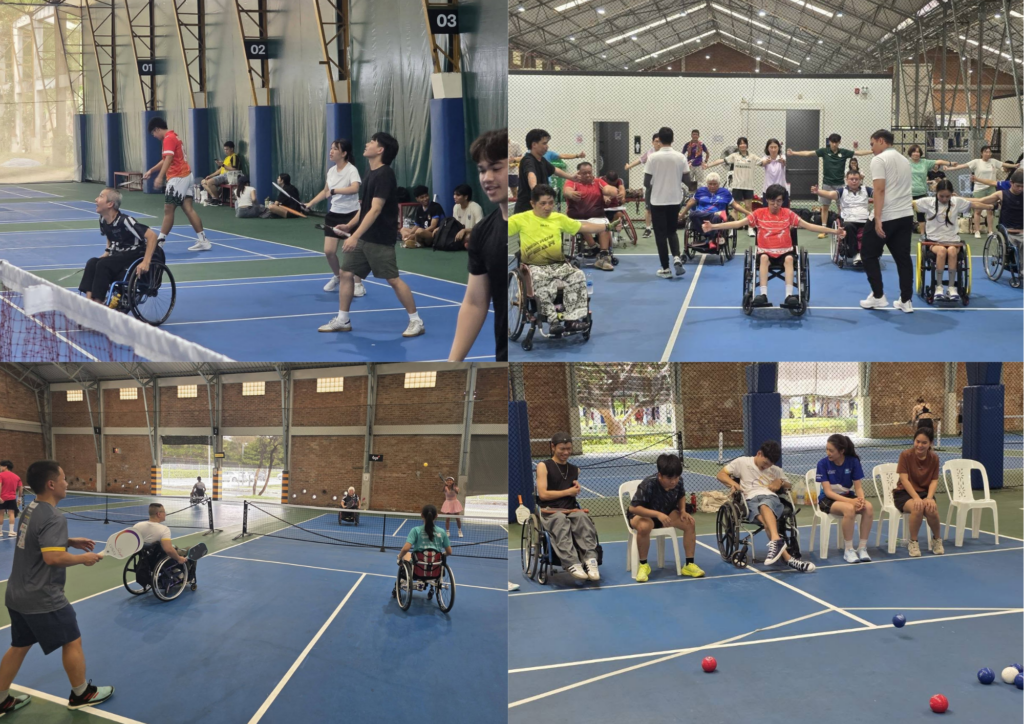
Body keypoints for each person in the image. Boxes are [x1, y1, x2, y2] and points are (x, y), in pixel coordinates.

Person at [0, 460, 112, 716]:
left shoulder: (31, 508)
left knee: (19, 646)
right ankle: (82, 693)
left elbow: (34, 538)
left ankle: (0, 699)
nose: (66, 483)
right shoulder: (54, 516)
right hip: (42, 597)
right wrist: (83, 558)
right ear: (51, 484)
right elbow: (52, 558)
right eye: (63, 479)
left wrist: (67, 541)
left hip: (17, 594)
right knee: (72, 640)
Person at [318, 132, 424, 337]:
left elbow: (375, 210)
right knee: (346, 274)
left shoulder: (384, 174)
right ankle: (343, 319)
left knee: (393, 279)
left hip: (379, 238)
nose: (367, 144)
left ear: (380, 150)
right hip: (364, 237)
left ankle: (416, 321)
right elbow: (365, 208)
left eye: (372, 142)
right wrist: (349, 225)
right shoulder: (370, 172)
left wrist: (354, 236)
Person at [702, 184, 844, 307]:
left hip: (785, 252)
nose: (776, 204)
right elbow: (737, 224)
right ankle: (763, 295)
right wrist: (713, 226)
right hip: (765, 252)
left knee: (789, 259)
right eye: (772, 201)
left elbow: (810, 226)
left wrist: (834, 231)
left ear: (783, 201)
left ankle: (789, 296)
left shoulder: (788, 214)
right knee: (763, 258)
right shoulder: (758, 213)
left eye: (779, 201)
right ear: (767, 200)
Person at [507, 184, 620, 334]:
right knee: (539, 279)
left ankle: (572, 320)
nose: (548, 207)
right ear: (533, 203)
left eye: (551, 203)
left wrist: (607, 227)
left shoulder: (558, 218)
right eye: (543, 203)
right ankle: (553, 320)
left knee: (578, 275)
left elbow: (583, 226)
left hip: (558, 264)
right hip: (534, 266)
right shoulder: (520, 219)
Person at [450, 128, 507, 362]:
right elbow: (475, 303)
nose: (487, 178)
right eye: (482, 170)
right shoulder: (483, 232)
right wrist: (452, 365)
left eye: (496, 168)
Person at [715, 442, 815, 572]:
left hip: (770, 498)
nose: (766, 467)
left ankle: (778, 545)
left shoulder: (776, 470)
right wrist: (735, 485)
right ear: (759, 454)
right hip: (749, 501)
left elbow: (789, 485)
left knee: (764, 504)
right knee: (767, 523)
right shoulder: (742, 462)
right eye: (765, 463)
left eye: (770, 465)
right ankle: (789, 558)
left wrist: (780, 481)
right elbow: (721, 475)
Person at [859, 129, 916, 313]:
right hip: (905, 215)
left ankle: (878, 296)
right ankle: (906, 300)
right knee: (903, 259)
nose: (871, 148)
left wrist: (877, 218)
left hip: (887, 216)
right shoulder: (905, 160)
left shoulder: (879, 159)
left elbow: (879, 190)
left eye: (872, 144)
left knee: (868, 255)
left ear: (881, 141)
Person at [626, 454, 703, 583]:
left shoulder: (679, 481)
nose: (674, 481)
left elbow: (681, 495)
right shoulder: (648, 483)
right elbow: (633, 508)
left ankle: (689, 565)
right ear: (660, 475)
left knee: (689, 523)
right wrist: (657, 514)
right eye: (670, 478)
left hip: (666, 513)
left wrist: (683, 511)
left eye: (676, 477)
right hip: (643, 514)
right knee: (644, 527)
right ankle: (644, 565)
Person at [914, 179, 994, 301]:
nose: (944, 199)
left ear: (952, 194)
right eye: (941, 196)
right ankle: (939, 286)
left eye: (947, 196)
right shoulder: (928, 202)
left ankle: (951, 287)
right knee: (941, 251)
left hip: (953, 241)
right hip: (934, 241)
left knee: (951, 251)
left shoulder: (956, 202)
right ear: (936, 192)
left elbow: (974, 204)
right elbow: (910, 203)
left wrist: (990, 206)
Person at [79, 188, 162, 305]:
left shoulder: (126, 221)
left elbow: (152, 236)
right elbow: (109, 234)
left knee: (103, 264)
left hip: (134, 254)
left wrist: (146, 262)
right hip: (119, 255)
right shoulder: (103, 219)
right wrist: (107, 251)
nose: (96, 199)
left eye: (100, 196)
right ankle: (89, 302)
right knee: (92, 262)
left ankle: (98, 303)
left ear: (110, 204)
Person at [535, 432, 600, 581]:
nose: (566, 452)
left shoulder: (575, 470)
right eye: (562, 449)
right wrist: (568, 491)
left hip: (571, 509)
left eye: (569, 449)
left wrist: (575, 488)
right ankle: (572, 562)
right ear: (553, 447)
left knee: (582, 517)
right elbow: (543, 495)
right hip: (550, 511)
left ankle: (591, 560)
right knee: (560, 520)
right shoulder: (543, 466)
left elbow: (570, 488)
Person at [304, 139, 364, 296]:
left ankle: (358, 283)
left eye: (335, 149)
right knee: (329, 251)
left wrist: (335, 191)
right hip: (334, 214)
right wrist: (310, 204)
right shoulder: (331, 171)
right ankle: (338, 277)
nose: (331, 151)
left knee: (351, 252)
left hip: (351, 214)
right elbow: (326, 191)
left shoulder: (351, 170)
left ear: (344, 153)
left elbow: (355, 188)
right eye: (331, 148)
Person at [141, 116, 211, 252]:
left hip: (178, 177)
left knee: (168, 209)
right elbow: (166, 159)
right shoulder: (174, 137)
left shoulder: (168, 138)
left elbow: (169, 158)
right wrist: (152, 171)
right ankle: (203, 241)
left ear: (157, 129)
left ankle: (159, 243)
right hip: (187, 175)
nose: (154, 136)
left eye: (153, 133)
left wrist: (160, 177)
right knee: (188, 209)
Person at [789, 134, 872, 237]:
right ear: (829, 142)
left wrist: (872, 151)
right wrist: (794, 153)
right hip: (827, 183)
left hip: (840, 184)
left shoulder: (843, 152)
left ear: (839, 142)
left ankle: (842, 227)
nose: (834, 144)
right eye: (832, 142)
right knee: (825, 207)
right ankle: (824, 230)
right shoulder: (824, 151)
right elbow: (809, 153)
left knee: (841, 207)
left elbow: (858, 153)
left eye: (836, 142)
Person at [815, 434, 874, 563]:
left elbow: (858, 487)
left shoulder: (853, 462)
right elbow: (828, 492)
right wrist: (851, 501)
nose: (828, 453)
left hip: (847, 495)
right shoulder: (823, 464)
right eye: (827, 449)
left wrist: (861, 500)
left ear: (841, 451)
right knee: (849, 509)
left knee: (868, 507)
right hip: (828, 499)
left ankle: (862, 548)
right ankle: (848, 550)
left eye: (831, 450)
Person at [645, 126, 690, 278]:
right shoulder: (680, 157)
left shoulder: (653, 157)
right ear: (673, 139)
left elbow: (646, 182)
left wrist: (658, 183)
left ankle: (665, 268)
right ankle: (676, 257)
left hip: (658, 200)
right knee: (672, 230)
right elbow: (687, 180)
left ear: (659, 140)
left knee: (660, 235)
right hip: (675, 200)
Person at [894, 427, 944, 557]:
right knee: (918, 507)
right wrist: (916, 497)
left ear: (930, 443)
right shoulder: (905, 455)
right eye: (917, 441)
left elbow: (934, 480)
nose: (920, 445)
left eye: (924, 442)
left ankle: (937, 540)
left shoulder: (934, 458)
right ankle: (913, 542)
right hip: (904, 493)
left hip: (925, 493)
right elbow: (904, 480)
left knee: (931, 509)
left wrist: (929, 498)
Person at [812, 169, 874, 265]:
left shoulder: (866, 189)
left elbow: (879, 194)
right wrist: (818, 191)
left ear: (860, 180)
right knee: (848, 227)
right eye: (851, 179)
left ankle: (866, 253)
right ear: (847, 180)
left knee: (872, 226)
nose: (854, 181)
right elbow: (830, 194)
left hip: (865, 220)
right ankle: (855, 254)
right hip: (848, 220)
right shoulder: (842, 191)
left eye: (856, 179)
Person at [564, 161, 618, 271]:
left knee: (605, 225)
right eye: (584, 173)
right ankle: (594, 248)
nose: (588, 175)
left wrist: (609, 191)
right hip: (577, 218)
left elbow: (610, 189)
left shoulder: (598, 181)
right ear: (578, 173)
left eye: (590, 172)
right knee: (583, 224)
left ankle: (603, 257)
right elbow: (566, 191)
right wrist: (571, 194)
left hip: (597, 216)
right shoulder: (572, 181)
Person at [513, 129, 579, 216]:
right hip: (526, 210)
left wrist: (571, 177)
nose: (547, 146)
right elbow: (531, 174)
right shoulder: (528, 160)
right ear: (534, 144)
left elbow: (554, 170)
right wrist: (535, 188)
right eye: (544, 143)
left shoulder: (542, 160)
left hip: (539, 208)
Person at [679, 171, 747, 250]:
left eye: (715, 184)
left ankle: (711, 238)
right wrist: (682, 214)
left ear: (719, 184)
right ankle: (711, 236)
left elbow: (736, 205)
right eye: (710, 184)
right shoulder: (700, 191)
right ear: (707, 184)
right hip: (702, 216)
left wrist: (748, 213)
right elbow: (690, 202)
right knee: (692, 214)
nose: (712, 186)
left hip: (716, 219)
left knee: (716, 217)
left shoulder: (725, 192)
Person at [706, 136, 757, 237]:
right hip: (737, 186)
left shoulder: (752, 156)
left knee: (748, 207)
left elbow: (763, 162)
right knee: (735, 208)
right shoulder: (734, 156)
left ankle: (750, 228)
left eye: (744, 143)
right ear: (738, 146)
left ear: (747, 145)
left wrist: (772, 160)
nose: (742, 145)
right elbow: (721, 161)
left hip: (748, 186)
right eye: (740, 143)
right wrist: (708, 165)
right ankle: (732, 229)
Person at [901, 145, 956, 234]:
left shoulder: (925, 162)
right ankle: (905, 233)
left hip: (921, 192)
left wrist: (950, 163)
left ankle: (923, 234)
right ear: (910, 153)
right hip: (908, 193)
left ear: (920, 153)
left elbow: (939, 161)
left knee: (921, 215)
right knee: (906, 214)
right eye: (914, 152)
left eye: (918, 152)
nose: (916, 153)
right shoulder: (906, 163)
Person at [965, 146, 1016, 238]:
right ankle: (977, 231)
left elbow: (1004, 164)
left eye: (989, 152)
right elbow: (963, 166)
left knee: (990, 210)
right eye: (986, 152)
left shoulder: (993, 161)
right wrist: (950, 167)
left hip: (991, 189)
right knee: (977, 210)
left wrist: (1015, 166)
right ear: (982, 153)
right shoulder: (976, 162)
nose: (988, 153)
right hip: (979, 189)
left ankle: (990, 231)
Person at [624, 133, 662, 238]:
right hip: (650, 185)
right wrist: (629, 166)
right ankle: (648, 229)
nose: (658, 143)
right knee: (648, 207)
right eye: (656, 141)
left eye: (660, 141)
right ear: (652, 142)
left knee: (662, 208)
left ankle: (661, 228)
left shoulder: (665, 153)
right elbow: (640, 160)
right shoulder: (649, 153)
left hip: (662, 186)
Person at [977, 167, 1023, 250]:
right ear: (1011, 183)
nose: (1020, 188)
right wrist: (958, 199)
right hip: (1006, 230)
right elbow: (981, 200)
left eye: (1022, 186)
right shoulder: (1001, 194)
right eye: (1018, 186)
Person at [451, 183, 483, 248]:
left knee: (469, 237)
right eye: (454, 194)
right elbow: (454, 224)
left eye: (458, 195)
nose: (454, 197)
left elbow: (479, 228)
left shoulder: (476, 207)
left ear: (466, 197)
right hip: (459, 235)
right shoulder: (456, 207)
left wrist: (465, 230)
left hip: (472, 234)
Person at [0, 461, 21, 538]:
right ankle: (11, 532)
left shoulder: (0, 475)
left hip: (2, 498)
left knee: (1, 514)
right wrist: (19, 498)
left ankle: (0, 532)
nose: (0, 467)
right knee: (11, 513)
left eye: (1, 466)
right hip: (12, 498)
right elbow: (20, 488)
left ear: (5, 466)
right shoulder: (17, 477)